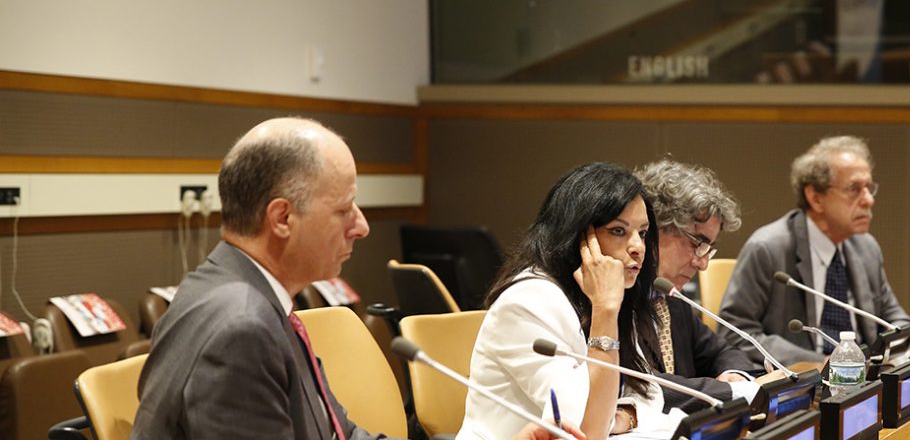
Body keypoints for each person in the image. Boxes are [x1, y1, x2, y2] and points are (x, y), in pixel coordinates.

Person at [132, 117, 580, 440]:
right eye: (344, 209)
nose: (361, 226)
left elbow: (341, 433)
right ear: (282, 218)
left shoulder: (234, 291)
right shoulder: (241, 327)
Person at [459, 162, 671, 440]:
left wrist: (621, 417)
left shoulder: (604, 293)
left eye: (642, 233)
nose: (638, 247)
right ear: (578, 237)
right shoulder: (528, 302)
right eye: (618, 231)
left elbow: (647, 394)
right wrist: (605, 312)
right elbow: (585, 430)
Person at [717, 136, 910, 366]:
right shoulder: (767, 248)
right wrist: (820, 362)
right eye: (854, 189)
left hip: (865, 377)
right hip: (802, 379)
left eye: (869, 188)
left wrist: (907, 359)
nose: (868, 200)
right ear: (815, 198)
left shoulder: (866, 248)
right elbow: (735, 331)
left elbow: (896, 319)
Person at [634, 159, 758, 413]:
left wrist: (735, 375)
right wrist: (729, 392)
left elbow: (722, 351)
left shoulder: (670, 296)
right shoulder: (613, 295)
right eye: (696, 244)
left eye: (708, 249)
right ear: (655, 227)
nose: (702, 264)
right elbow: (642, 385)